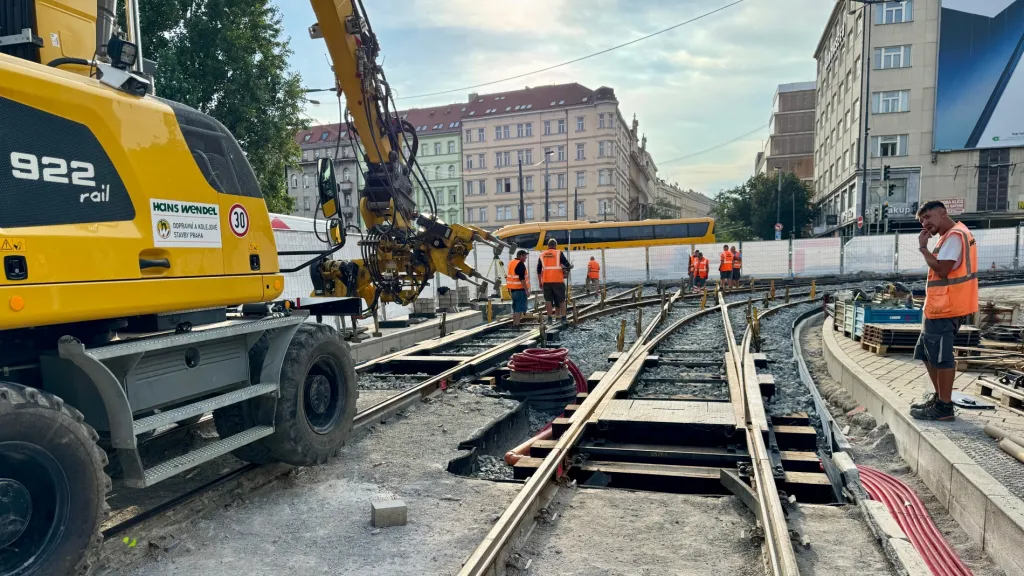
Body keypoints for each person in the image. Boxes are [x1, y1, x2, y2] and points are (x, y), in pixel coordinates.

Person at [910, 200, 978, 421]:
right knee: (926, 353)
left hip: (946, 307)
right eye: (922, 220)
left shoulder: (954, 236)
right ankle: (940, 399)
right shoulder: (948, 236)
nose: (925, 223)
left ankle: (945, 407)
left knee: (941, 357)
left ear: (942, 213)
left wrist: (923, 248)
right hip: (938, 307)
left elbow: (942, 270)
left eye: (928, 217)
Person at [537, 238, 572, 322]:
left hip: (546, 281)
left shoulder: (542, 255)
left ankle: (549, 318)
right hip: (558, 281)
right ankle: (563, 318)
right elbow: (567, 264)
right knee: (561, 300)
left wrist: (540, 282)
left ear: (548, 245)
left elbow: (538, 270)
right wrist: (568, 268)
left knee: (548, 300)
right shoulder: (559, 253)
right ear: (555, 245)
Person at [506, 250, 530, 326]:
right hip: (520, 290)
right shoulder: (520, 264)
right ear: (521, 256)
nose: (526, 257)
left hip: (513, 290)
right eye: (525, 256)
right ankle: (517, 325)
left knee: (515, 308)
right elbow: (522, 278)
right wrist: (526, 290)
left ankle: (514, 324)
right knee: (519, 309)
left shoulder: (511, 263)